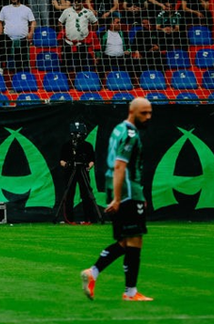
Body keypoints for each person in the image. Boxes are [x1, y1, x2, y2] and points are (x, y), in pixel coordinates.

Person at [80, 97, 154, 302]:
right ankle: (130, 292)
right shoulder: (130, 134)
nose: (148, 117)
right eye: (144, 113)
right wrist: (120, 198)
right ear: (132, 111)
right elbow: (121, 166)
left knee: (124, 241)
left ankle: (93, 272)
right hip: (127, 191)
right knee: (135, 240)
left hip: (122, 189)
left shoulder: (118, 130)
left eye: (150, 113)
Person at [57, 122, 97, 224]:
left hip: (83, 171)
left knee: (86, 194)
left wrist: (88, 167)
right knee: (69, 194)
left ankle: (89, 219)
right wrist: (67, 165)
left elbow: (92, 160)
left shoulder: (87, 146)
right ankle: (69, 219)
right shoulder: (66, 145)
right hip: (70, 171)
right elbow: (61, 160)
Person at [58, 0, 98, 75]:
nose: (76, 3)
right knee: (66, 63)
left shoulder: (88, 12)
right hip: (68, 43)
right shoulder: (67, 11)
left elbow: (95, 22)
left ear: (82, 2)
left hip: (82, 43)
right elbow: (60, 22)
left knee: (81, 63)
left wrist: (90, 33)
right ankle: (65, 80)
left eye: (78, 1)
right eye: (74, 1)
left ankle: (80, 80)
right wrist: (63, 32)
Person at [0, 0, 36, 72]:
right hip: (7, 39)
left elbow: (33, 22)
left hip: (22, 40)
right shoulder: (5, 9)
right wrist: (1, 33)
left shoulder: (26, 9)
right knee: (3, 59)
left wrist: (31, 33)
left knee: (21, 63)